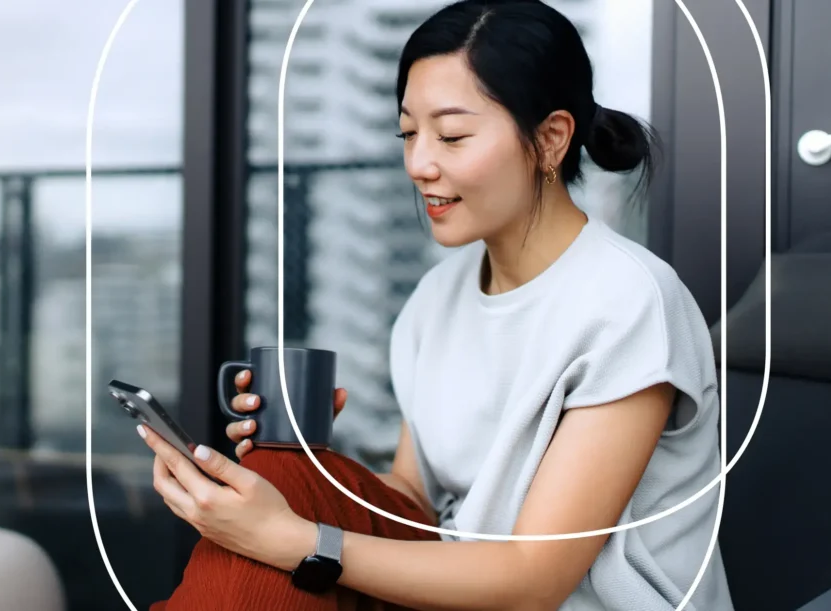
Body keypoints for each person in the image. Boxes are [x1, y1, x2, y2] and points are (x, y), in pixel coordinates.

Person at [140, 0, 734, 609]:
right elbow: (415, 503)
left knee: (275, 531)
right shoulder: (438, 298)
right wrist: (312, 476)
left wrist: (295, 538)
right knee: (280, 472)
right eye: (409, 134)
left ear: (552, 139)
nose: (420, 164)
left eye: (451, 136)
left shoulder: (628, 302)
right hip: (451, 589)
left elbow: (534, 581)